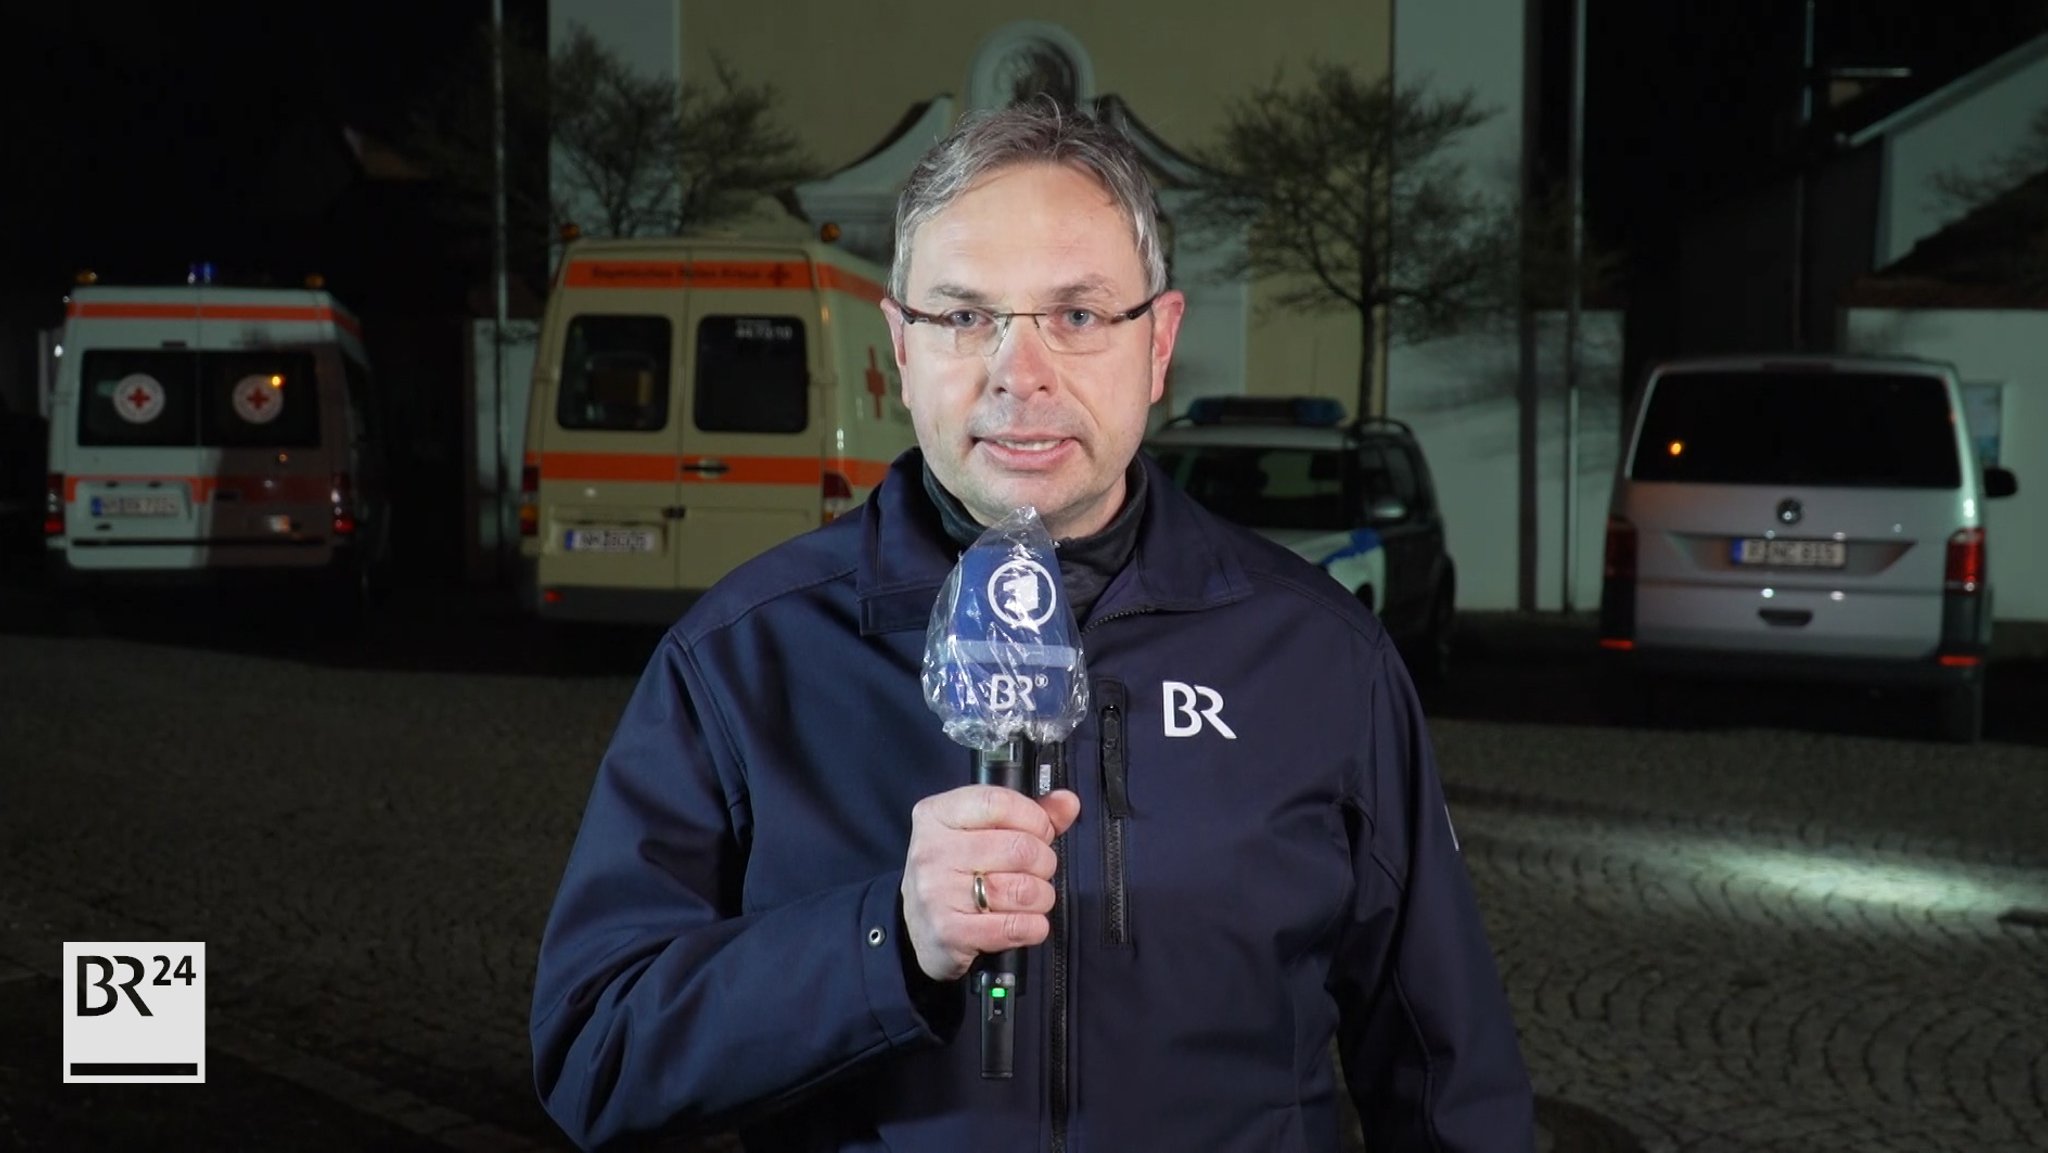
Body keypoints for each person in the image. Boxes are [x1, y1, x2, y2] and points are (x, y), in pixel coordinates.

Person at [530, 97, 1536, 1152]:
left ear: (1159, 343)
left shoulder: (1324, 660)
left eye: (1078, 315)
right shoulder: (740, 661)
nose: (1021, 372)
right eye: (964, 316)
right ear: (898, 351)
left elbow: (1448, 1079)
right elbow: (595, 1057)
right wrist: (884, 938)